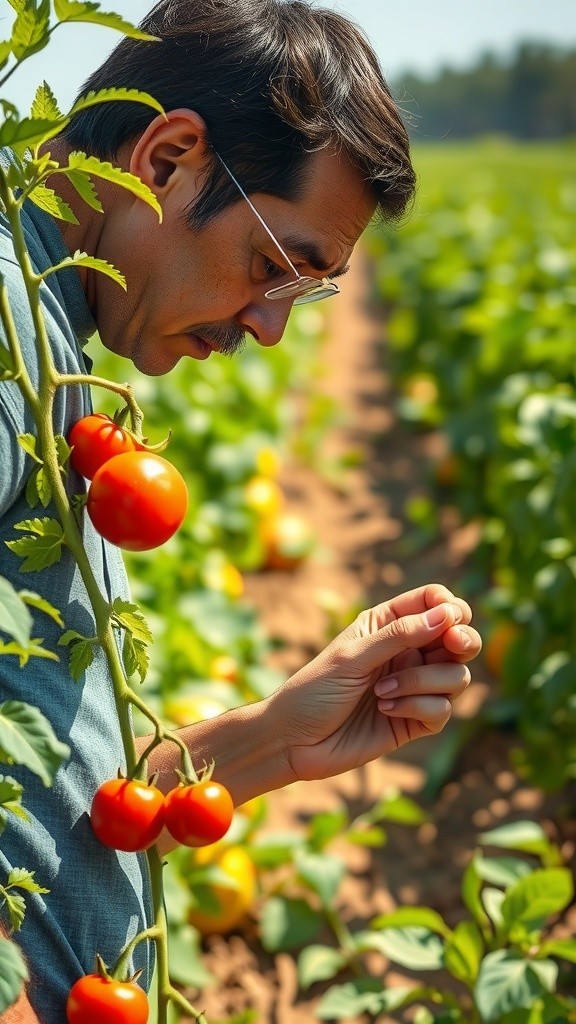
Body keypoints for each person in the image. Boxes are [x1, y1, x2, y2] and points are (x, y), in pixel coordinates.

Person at [0, 1, 482, 1020]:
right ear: (167, 157)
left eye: (303, 292)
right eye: (275, 265)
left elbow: (41, 778)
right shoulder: (11, 362)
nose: (268, 327)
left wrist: (271, 740)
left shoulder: (53, 355)